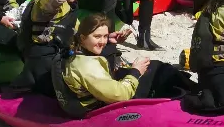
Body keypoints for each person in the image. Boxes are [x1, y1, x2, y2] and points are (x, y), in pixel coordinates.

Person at [56, 13, 195, 116]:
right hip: (104, 108)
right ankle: (193, 94)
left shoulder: (78, 52)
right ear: (82, 38)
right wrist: (135, 72)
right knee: (160, 72)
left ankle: (191, 89)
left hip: (103, 93)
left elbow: (100, 67)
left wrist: (110, 42)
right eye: (97, 37)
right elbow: (120, 95)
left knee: (156, 67)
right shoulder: (87, 67)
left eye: (105, 36)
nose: (102, 41)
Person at [9, 0, 88, 95]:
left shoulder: (71, 6)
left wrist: (105, 37)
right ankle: (24, 84)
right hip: (39, 54)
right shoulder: (45, 0)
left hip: (56, 53)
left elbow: (78, 32)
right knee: (50, 89)